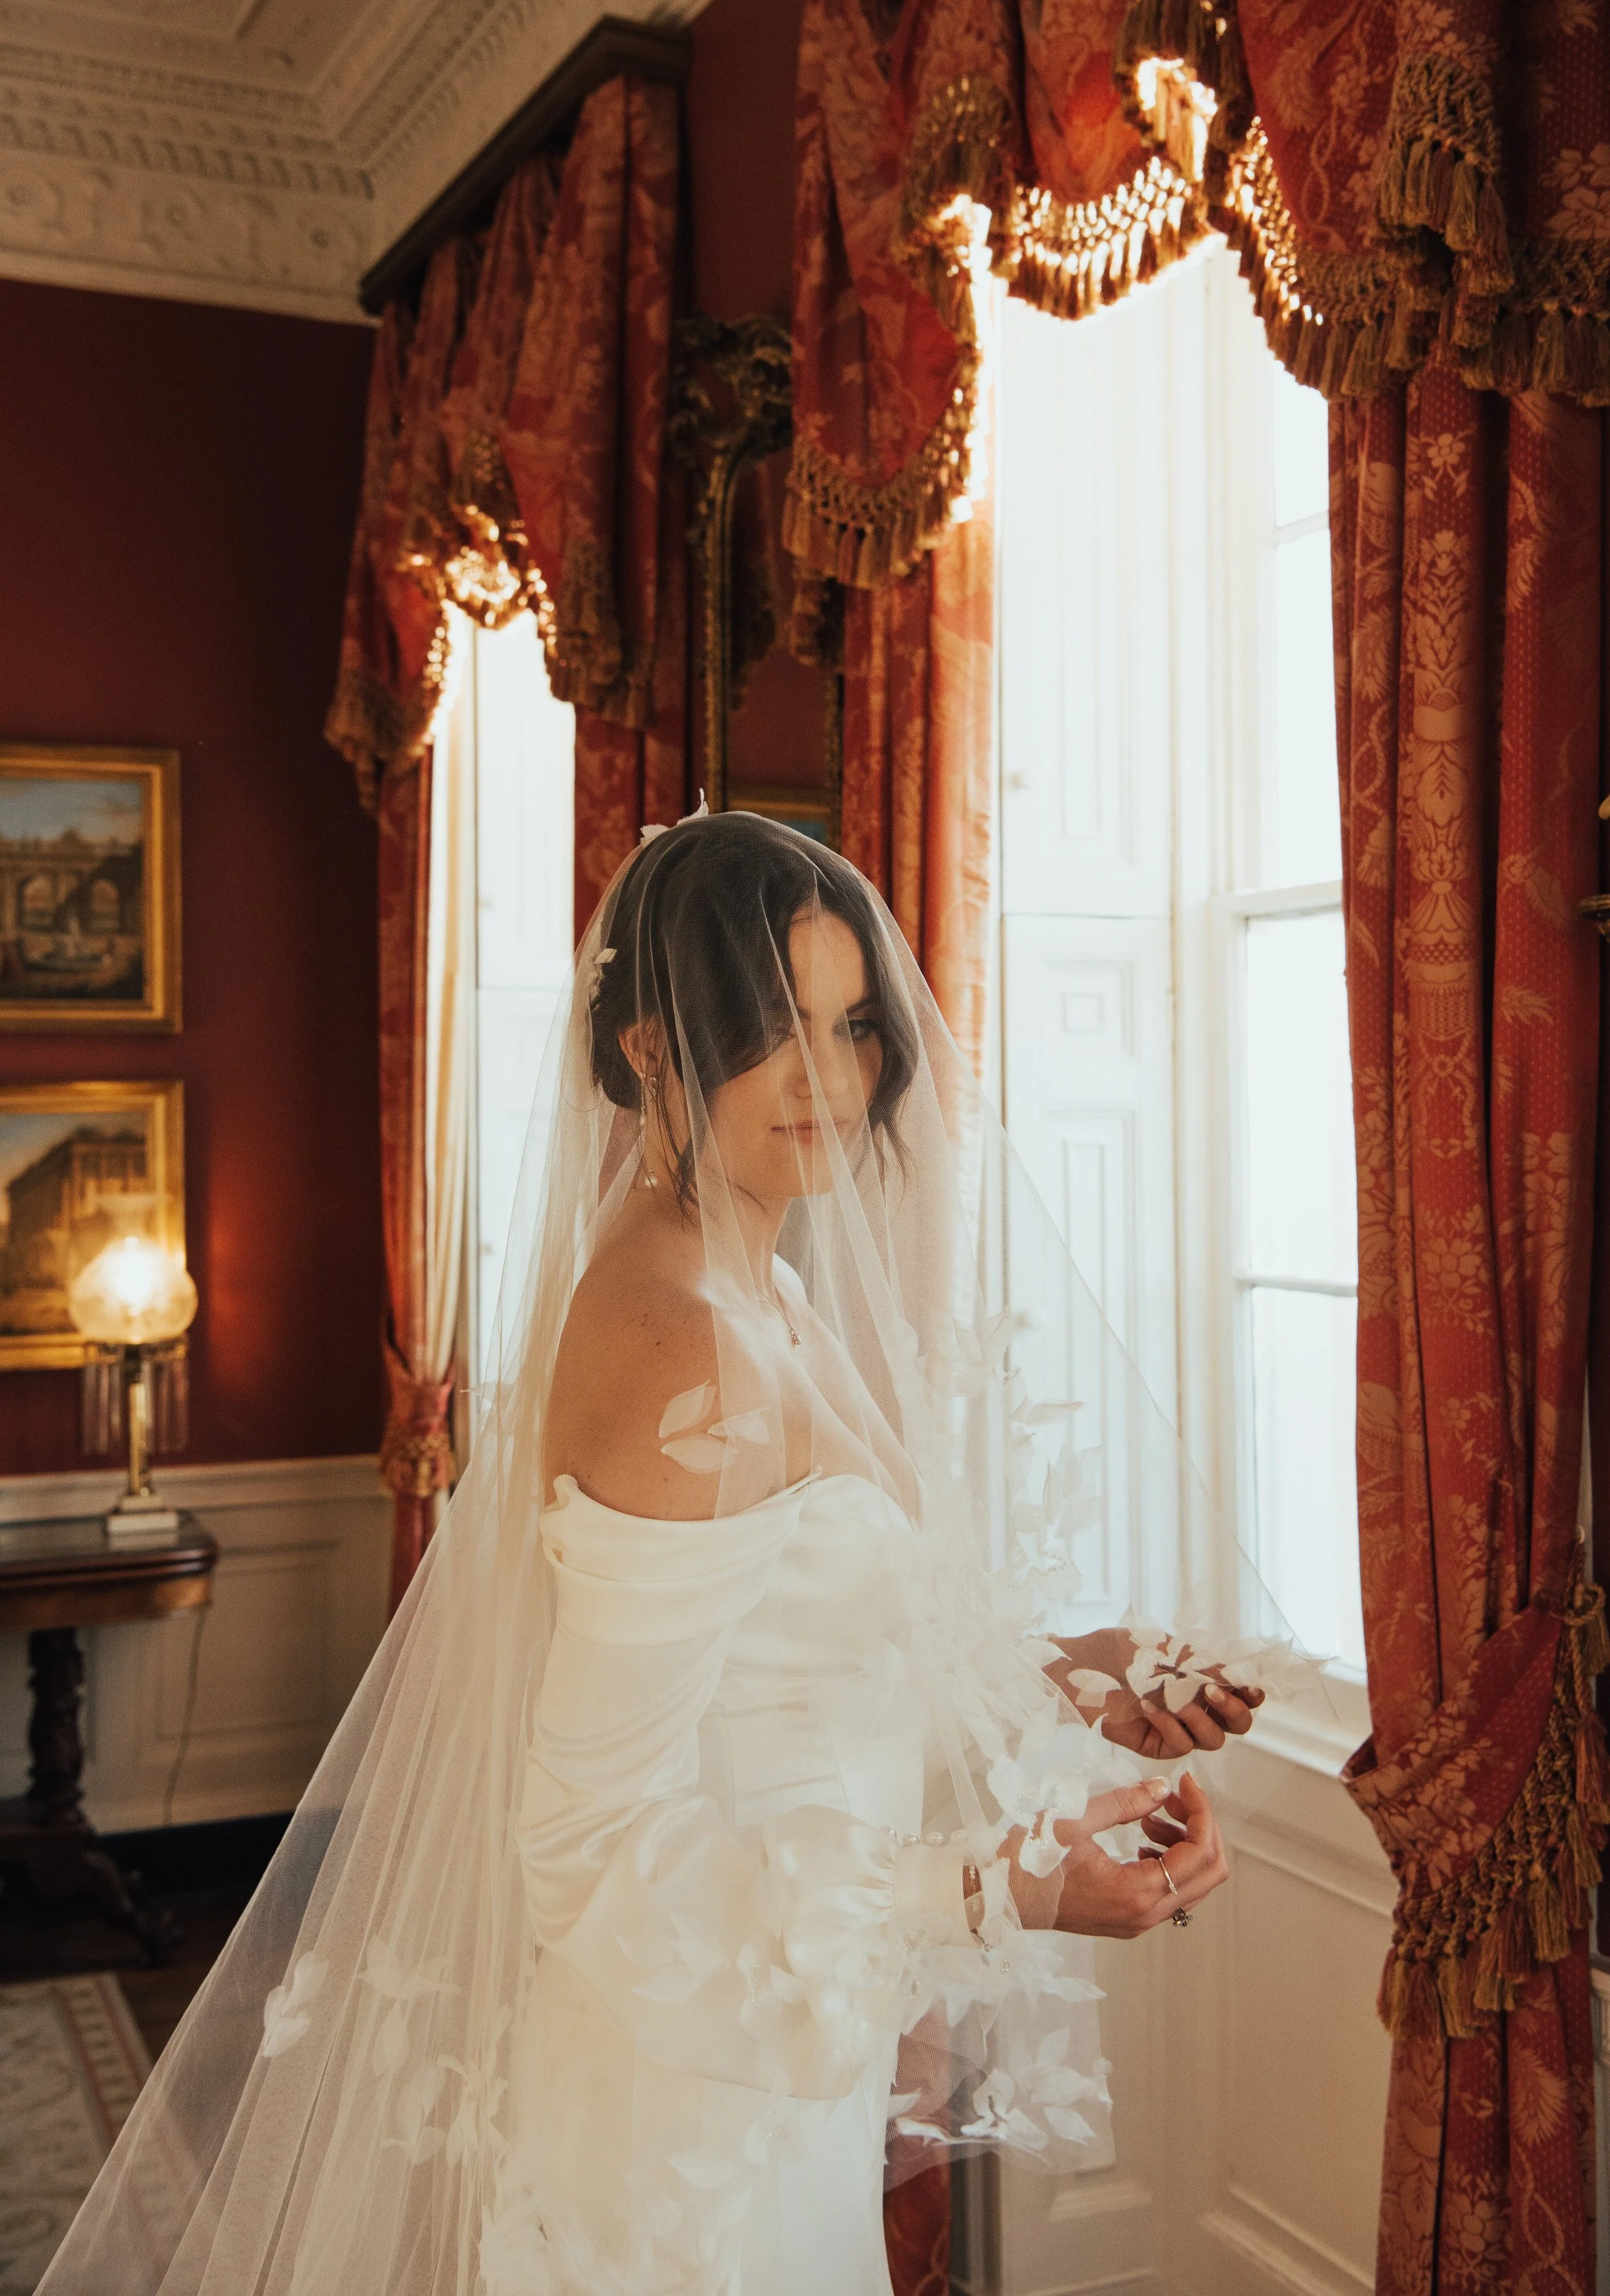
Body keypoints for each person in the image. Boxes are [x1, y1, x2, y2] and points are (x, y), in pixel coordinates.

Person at [42, 810, 1307, 2296]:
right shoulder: (681, 1340)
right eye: (779, 1031)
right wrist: (996, 1882)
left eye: (852, 1028)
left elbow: (801, 1651)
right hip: (686, 2102)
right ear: (651, 1049)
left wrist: (1062, 1678)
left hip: (774, 2037)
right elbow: (586, 1847)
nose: (833, 1083)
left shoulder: (755, 1282)